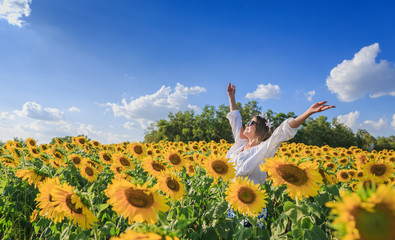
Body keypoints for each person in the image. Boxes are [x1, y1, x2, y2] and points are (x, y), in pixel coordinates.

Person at [225, 82, 335, 226]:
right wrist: (231, 97)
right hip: (234, 199)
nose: (246, 124)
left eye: (251, 123)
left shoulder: (263, 149)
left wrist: (308, 112)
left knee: (250, 235)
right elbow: (235, 122)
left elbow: (283, 131)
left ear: (260, 129)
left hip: (253, 202)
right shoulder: (240, 146)